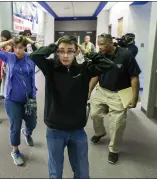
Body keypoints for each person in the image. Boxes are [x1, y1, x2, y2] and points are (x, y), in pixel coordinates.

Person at [30, 35, 115, 178]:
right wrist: (54, 46)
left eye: (70, 51)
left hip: (77, 130)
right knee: (55, 172)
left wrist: (87, 52)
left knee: (82, 173)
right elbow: (35, 55)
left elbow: (109, 65)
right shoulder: (51, 66)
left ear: (76, 52)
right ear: (57, 51)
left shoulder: (84, 67)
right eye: (61, 51)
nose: (65, 55)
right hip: (55, 129)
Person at [89, 33, 141, 164]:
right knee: (94, 114)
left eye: (102, 44)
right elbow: (96, 74)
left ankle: (114, 149)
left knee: (117, 124)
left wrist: (134, 98)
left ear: (110, 43)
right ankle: (100, 132)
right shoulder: (100, 55)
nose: (99, 47)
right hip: (102, 90)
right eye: (98, 44)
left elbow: (134, 77)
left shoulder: (125, 55)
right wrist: (88, 90)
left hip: (119, 93)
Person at [0, 35, 37, 166]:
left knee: (32, 123)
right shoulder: (9, 57)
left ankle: (27, 133)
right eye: (15, 47)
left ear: (25, 47)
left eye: (20, 48)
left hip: (29, 99)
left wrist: (31, 41)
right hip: (13, 100)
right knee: (15, 127)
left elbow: (43, 50)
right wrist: (9, 41)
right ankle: (15, 151)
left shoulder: (30, 57)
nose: (17, 50)